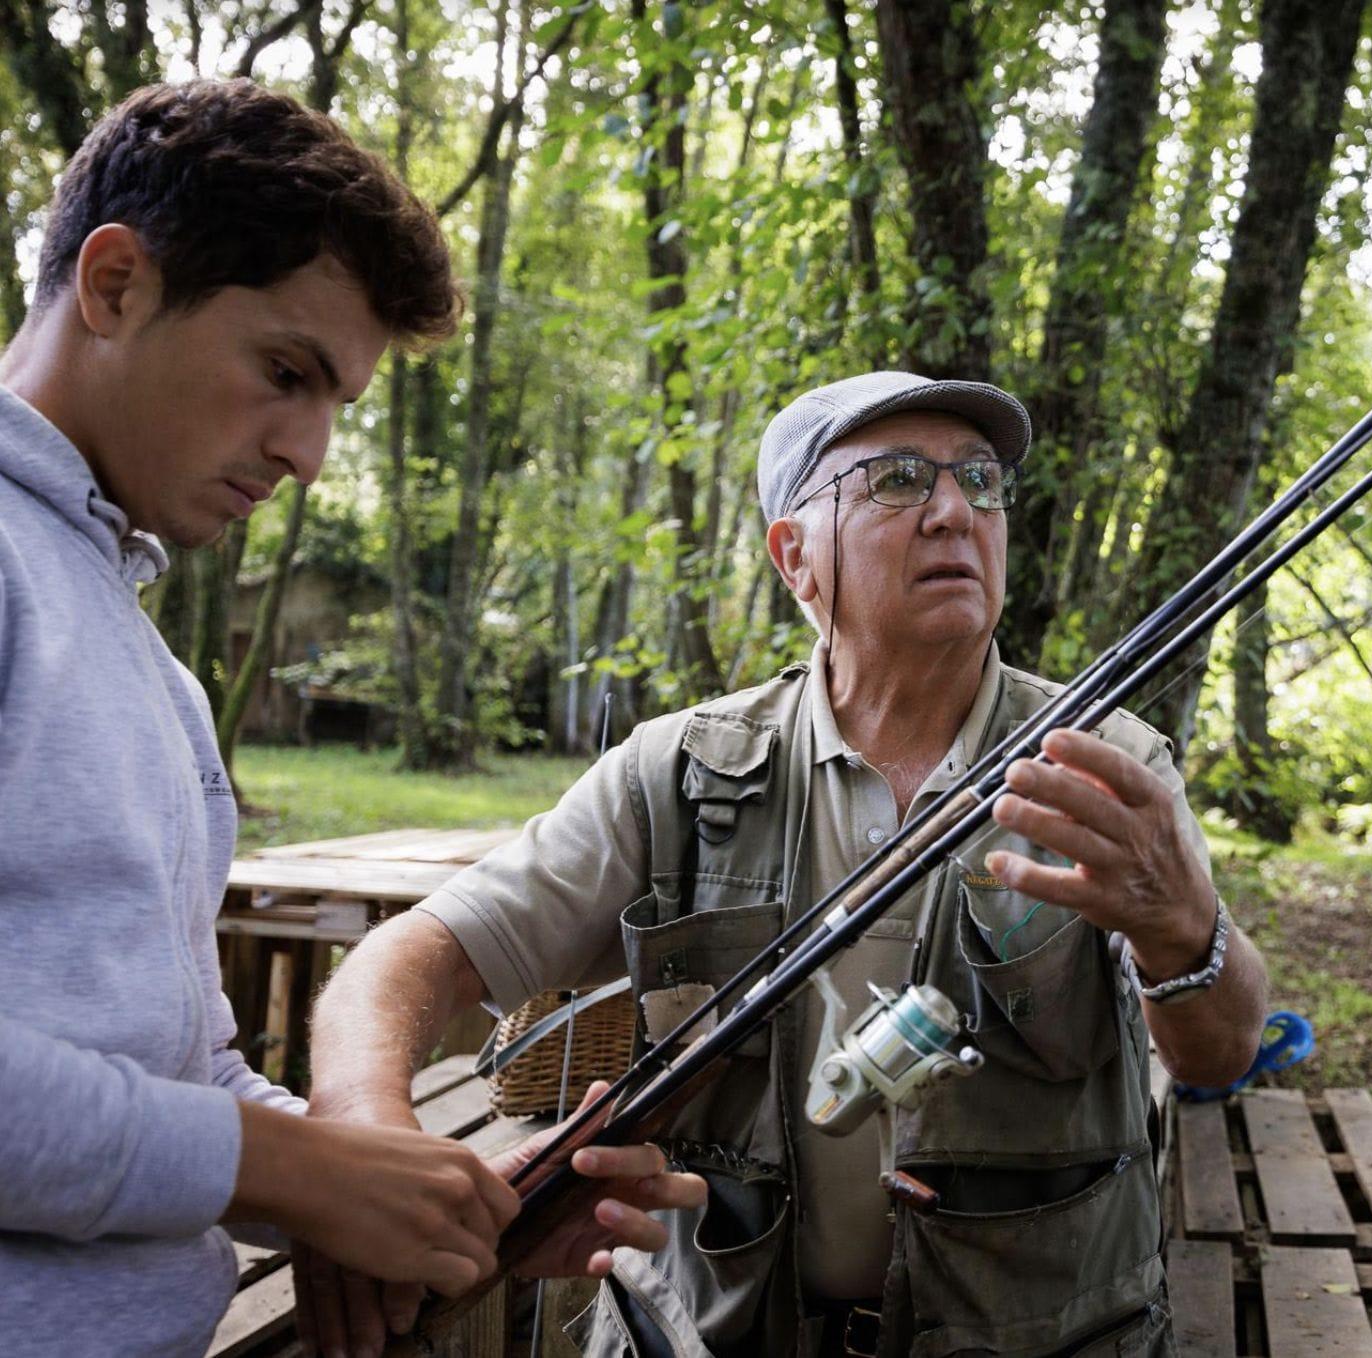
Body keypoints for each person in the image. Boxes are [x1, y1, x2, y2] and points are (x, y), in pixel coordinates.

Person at [308, 370, 1270, 1357]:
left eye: (980, 479)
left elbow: (1221, 1054)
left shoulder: (1105, 766)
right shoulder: (674, 772)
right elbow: (410, 956)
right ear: (795, 556)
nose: (954, 511)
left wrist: (1181, 929)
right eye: (898, 479)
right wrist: (363, 1138)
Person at [0, 79, 700, 1358]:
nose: (310, 454)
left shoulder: (158, 674)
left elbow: (187, 1072)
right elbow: (224, 1143)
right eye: (286, 371)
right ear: (114, 284)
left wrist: (431, 1203)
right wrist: (293, 1168)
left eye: (336, 403)